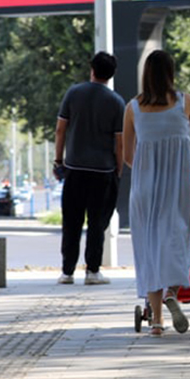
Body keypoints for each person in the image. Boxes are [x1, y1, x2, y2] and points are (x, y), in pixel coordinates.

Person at [123, 50, 190, 336]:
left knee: (149, 250)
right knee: (177, 241)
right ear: (171, 73)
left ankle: (157, 321)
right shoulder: (187, 102)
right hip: (179, 187)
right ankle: (173, 291)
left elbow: (127, 156)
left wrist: (148, 170)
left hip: (144, 190)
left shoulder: (132, 108)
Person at [54, 52, 127, 285]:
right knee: (97, 222)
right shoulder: (116, 102)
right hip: (103, 171)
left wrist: (59, 160)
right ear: (111, 74)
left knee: (71, 221)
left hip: (74, 168)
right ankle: (92, 271)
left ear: (92, 69)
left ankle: (67, 271)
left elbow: (60, 129)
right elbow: (119, 142)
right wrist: (118, 169)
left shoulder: (73, 93)